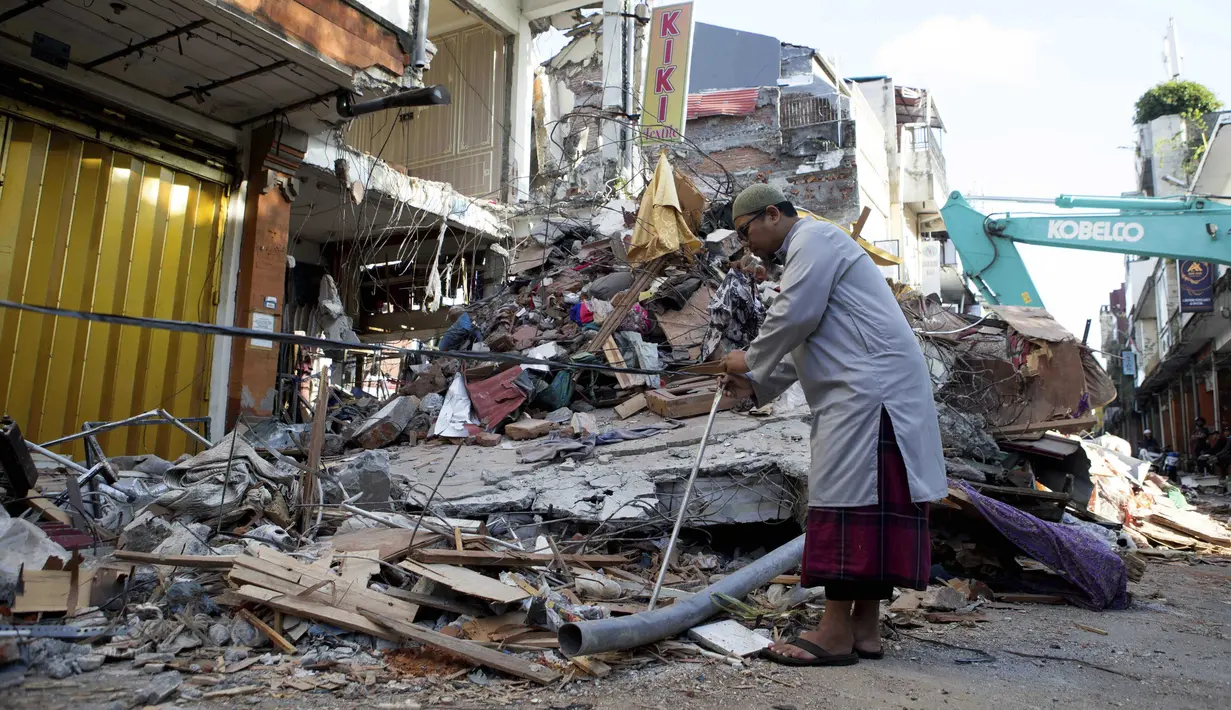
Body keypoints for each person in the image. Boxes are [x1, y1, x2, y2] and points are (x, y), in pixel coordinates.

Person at [719, 184, 947, 667]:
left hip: (870, 392)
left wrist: (748, 359)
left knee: (850, 506)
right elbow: (806, 336)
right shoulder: (812, 252)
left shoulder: (815, 241)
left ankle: (834, 631)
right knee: (874, 501)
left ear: (772, 215)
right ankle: (864, 626)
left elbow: (795, 315)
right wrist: (757, 385)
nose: (747, 244)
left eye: (746, 232)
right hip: (871, 389)